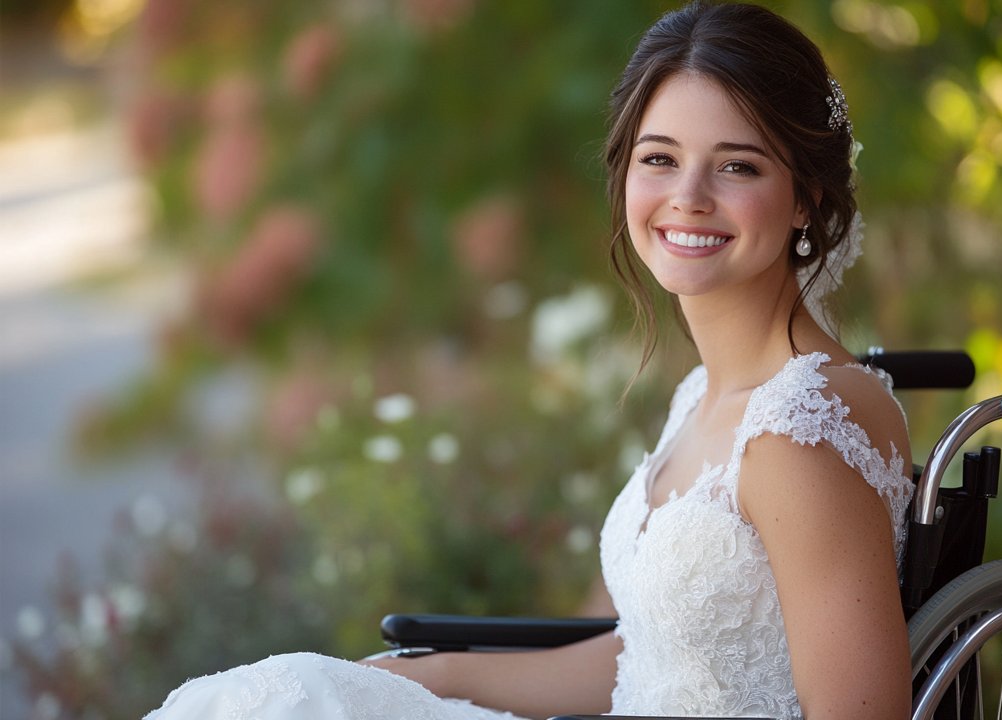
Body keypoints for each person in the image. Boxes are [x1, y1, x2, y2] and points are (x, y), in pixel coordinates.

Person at [144, 2, 913, 718]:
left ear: (806, 196)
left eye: (737, 166)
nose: (688, 196)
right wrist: (443, 673)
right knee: (283, 697)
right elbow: (655, 657)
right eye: (659, 158)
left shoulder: (798, 433)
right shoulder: (706, 394)